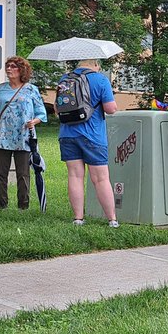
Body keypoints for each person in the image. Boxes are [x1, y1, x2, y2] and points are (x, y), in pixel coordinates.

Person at [58, 58, 119, 227]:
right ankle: (112, 219)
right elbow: (110, 109)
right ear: (96, 65)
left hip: (67, 134)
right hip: (92, 136)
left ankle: (78, 218)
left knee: (75, 176)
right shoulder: (100, 79)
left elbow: (58, 108)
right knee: (100, 178)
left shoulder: (65, 79)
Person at [0, 55, 47, 210]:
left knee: (23, 174)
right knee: (0, 174)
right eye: (8, 66)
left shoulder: (31, 90)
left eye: (13, 66)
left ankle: (23, 206)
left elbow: (42, 114)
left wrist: (34, 122)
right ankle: (1, 205)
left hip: (23, 137)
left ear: (21, 70)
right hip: (2, 136)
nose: (9, 69)